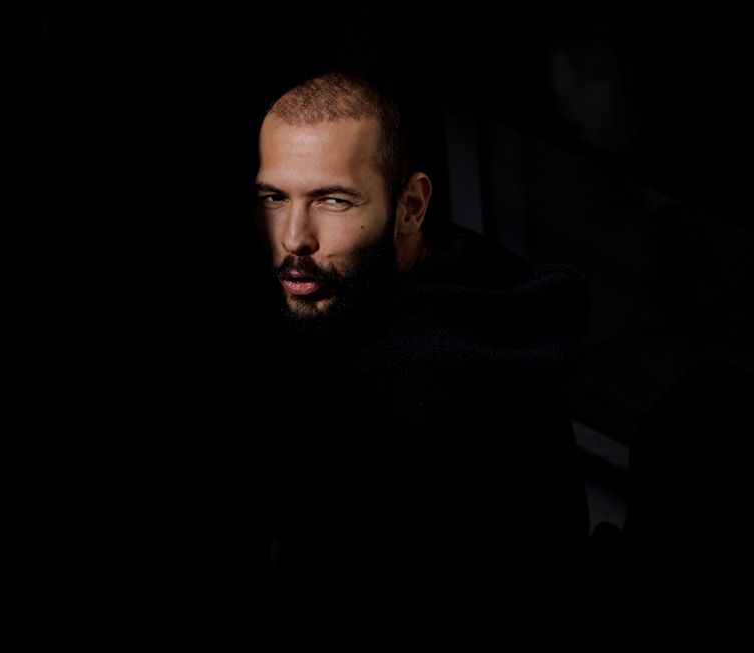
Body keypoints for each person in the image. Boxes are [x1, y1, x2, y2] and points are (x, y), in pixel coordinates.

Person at [248, 72, 592, 649]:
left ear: (411, 206)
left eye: (334, 200)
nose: (293, 238)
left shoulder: (411, 413)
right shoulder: (462, 273)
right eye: (273, 198)